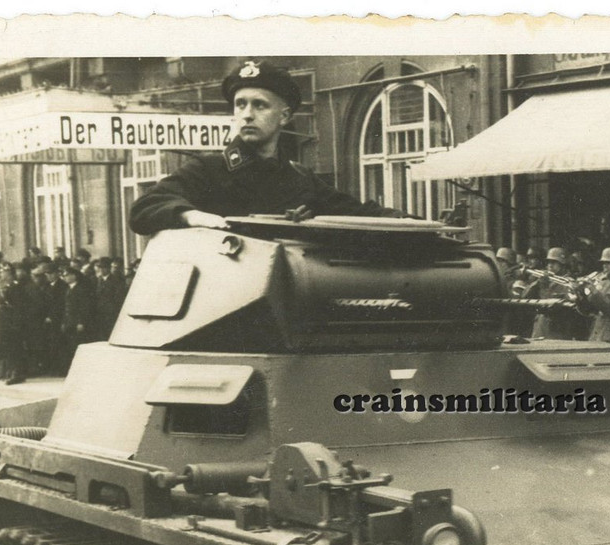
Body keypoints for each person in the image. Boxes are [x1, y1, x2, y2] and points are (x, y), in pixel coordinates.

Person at [130, 61, 400, 235]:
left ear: (284, 116)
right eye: (240, 104)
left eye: (259, 105)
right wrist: (192, 216)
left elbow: (360, 213)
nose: (247, 115)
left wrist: (414, 221)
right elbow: (145, 208)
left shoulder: (300, 178)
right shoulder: (208, 169)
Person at [530, 248, 586, 340]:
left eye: (554, 262)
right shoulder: (546, 280)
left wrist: (544, 287)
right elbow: (525, 296)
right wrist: (537, 283)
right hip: (540, 328)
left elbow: (550, 305)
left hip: (556, 331)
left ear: (563, 265)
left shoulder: (569, 283)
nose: (550, 265)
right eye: (548, 262)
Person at [61, 266, 97, 370]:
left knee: (77, 344)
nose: (65, 277)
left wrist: (81, 322)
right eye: (64, 275)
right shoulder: (68, 289)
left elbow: (84, 307)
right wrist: (64, 322)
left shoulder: (81, 289)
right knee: (70, 345)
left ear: (74, 276)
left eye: (67, 275)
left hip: (77, 322)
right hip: (69, 322)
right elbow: (66, 307)